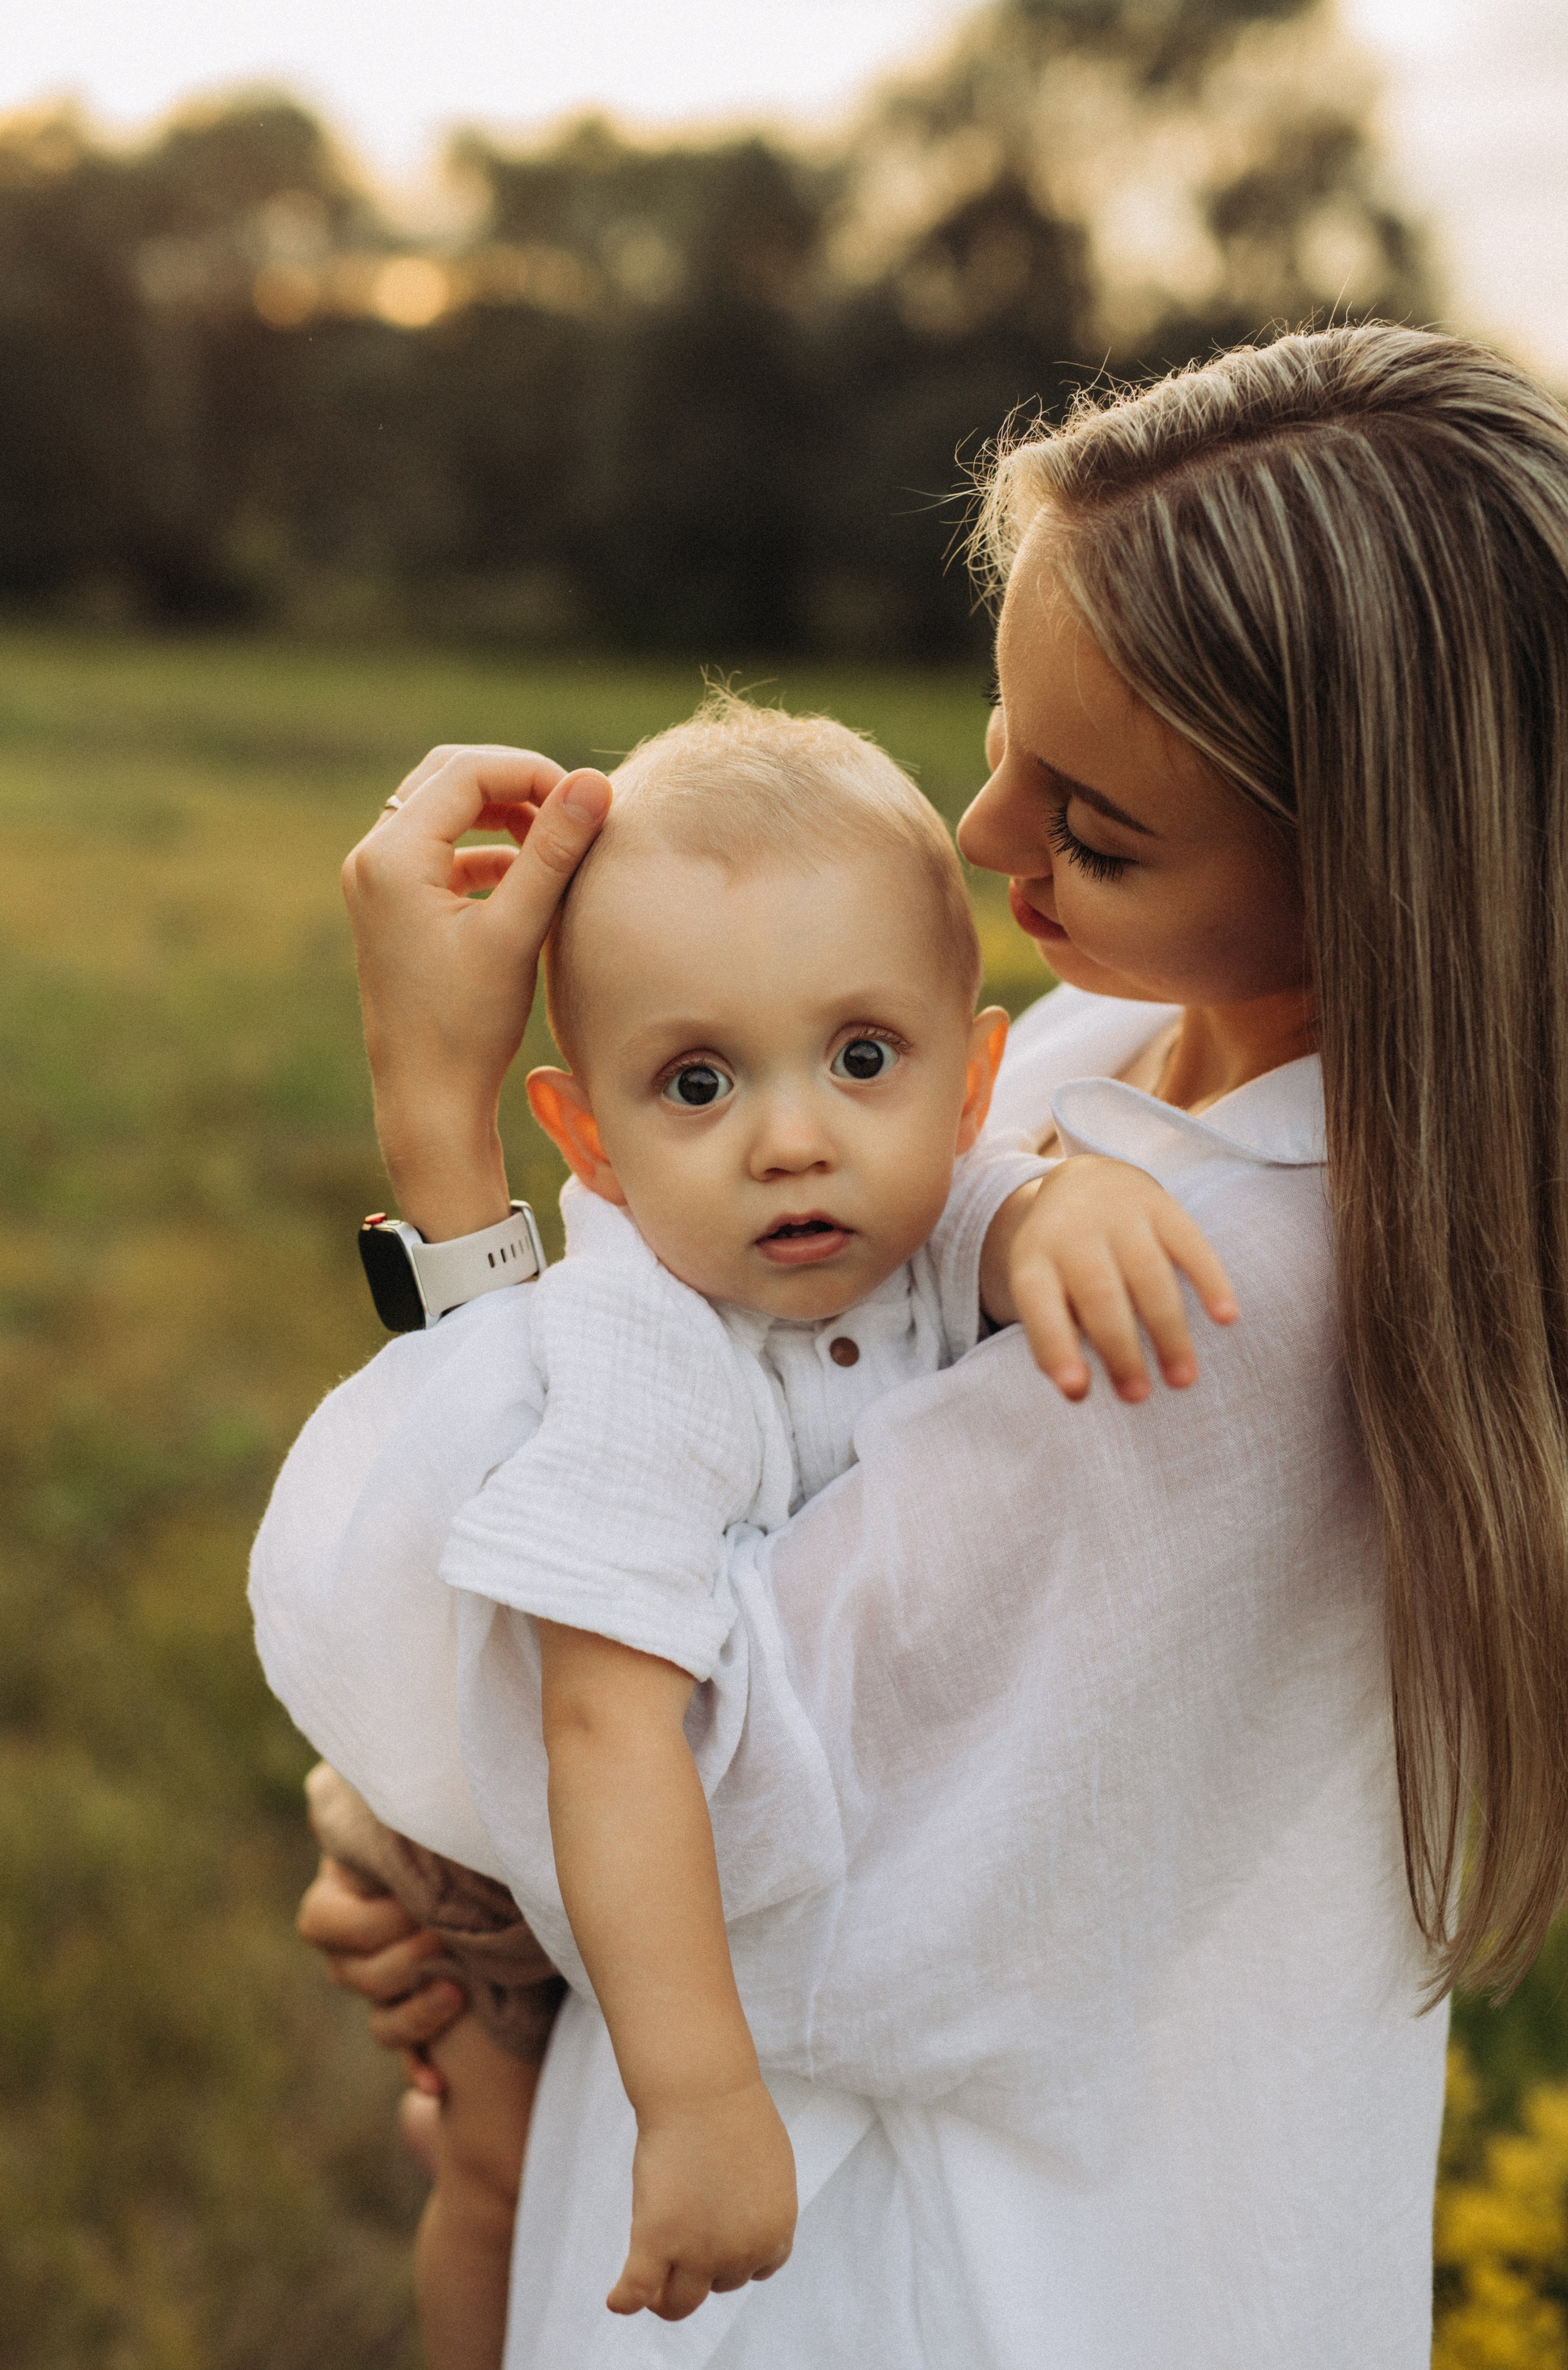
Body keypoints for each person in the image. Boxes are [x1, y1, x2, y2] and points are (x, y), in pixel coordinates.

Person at [291, 325, 1568, 2366]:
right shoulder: (1089, 1054)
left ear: (1385, 869)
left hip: (914, 2290)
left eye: (1099, 826)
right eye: (1003, 735)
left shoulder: (1222, 1322)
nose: (981, 840)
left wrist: (446, 1156)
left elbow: (704, 1816)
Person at [260, 693, 1234, 2369]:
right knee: (492, 2168)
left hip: (678, 1825)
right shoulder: (651, 1344)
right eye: (695, 1082)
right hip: (528, 1834)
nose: (795, 1140)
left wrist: (1066, 1200)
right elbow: (598, 1718)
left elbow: (987, 1206)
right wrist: (696, 2097)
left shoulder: (941, 1196)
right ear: (591, 1146)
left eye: (863, 1057)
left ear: (971, 1078)